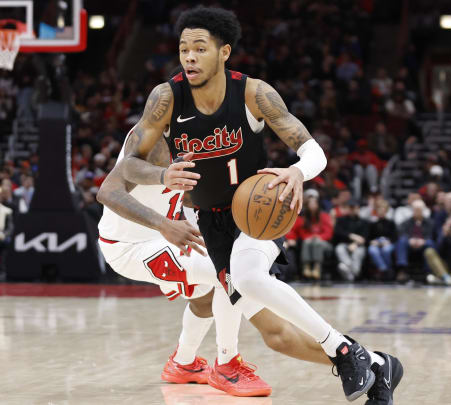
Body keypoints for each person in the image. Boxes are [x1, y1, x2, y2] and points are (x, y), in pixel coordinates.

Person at [118, 7, 401, 403]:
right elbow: (127, 164)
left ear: (224, 52)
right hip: (207, 223)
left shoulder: (253, 93)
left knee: (248, 277)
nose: (190, 57)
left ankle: (343, 350)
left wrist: (299, 172)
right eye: (184, 49)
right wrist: (163, 176)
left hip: (257, 211)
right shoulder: (166, 98)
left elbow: (312, 150)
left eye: (200, 48)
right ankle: (374, 365)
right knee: (276, 335)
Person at [98, 128, 336, 397]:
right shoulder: (151, 138)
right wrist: (163, 223)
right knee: (227, 272)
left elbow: (189, 194)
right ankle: (227, 364)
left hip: (162, 232)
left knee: (205, 292)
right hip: (130, 244)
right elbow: (107, 192)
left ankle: (183, 362)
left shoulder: (202, 135)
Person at [285, 189, 333, 281]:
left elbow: (329, 233)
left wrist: (319, 237)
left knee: (317, 243)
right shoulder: (304, 218)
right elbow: (301, 232)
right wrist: (310, 237)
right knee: (307, 242)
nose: (312, 205)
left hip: (324, 243)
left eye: (314, 203)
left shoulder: (324, 216)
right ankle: (306, 267)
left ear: (318, 204)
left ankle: (316, 267)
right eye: (310, 203)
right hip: (309, 241)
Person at [333, 198, 369, 282]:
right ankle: (350, 269)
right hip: (344, 244)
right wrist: (351, 236)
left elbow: (365, 238)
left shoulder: (364, 222)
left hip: (358, 246)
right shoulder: (341, 220)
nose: (352, 210)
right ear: (347, 208)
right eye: (350, 207)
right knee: (339, 249)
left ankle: (351, 273)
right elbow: (338, 233)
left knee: (358, 253)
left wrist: (355, 244)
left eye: (354, 207)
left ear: (358, 208)